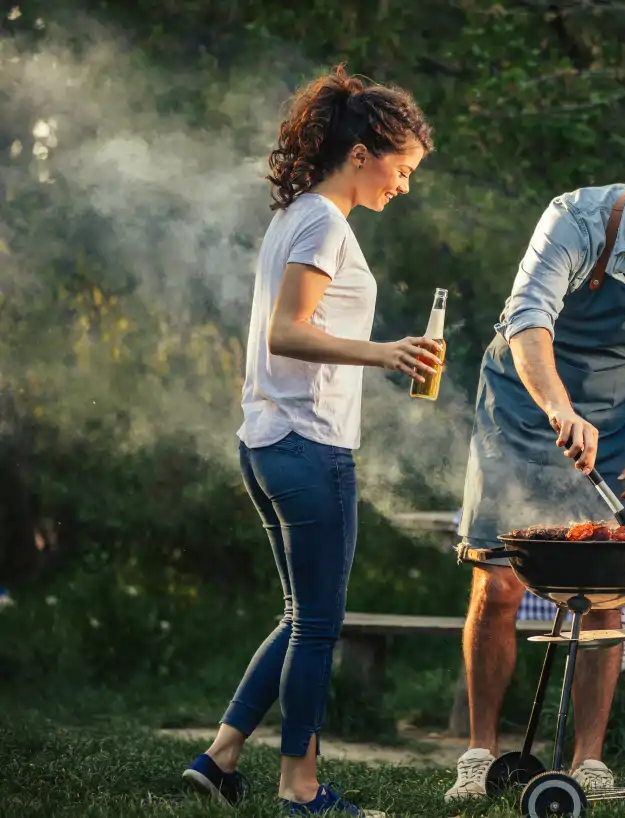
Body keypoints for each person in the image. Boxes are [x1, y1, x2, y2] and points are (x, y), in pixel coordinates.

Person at [179, 66, 442, 817]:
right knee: (320, 624)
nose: (405, 184)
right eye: (403, 168)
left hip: (267, 439)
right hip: (306, 443)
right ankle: (301, 789)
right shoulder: (323, 220)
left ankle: (221, 755)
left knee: (300, 618)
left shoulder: (297, 213)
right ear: (361, 154)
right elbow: (287, 331)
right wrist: (386, 352)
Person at [447, 133, 625, 802]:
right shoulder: (569, 221)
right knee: (499, 585)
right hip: (519, 406)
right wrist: (558, 408)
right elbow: (527, 321)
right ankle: (480, 753)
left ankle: (589, 762)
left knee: (607, 586)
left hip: (616, 418)